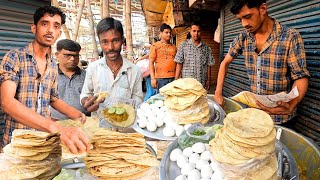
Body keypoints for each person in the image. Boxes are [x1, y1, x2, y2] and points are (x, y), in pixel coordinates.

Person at [0, 6, 91, 153]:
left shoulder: (52, 66)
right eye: (44, 24)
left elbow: (52, 98)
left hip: (43, 143)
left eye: (56, 26)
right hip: (16, 145)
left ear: (59, 32)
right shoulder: (14, 57)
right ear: (34, 28)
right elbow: (7, 102)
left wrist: (77, 114)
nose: (50, 30)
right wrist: (55, 127)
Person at [214, 0, 310, 124]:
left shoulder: (290, 37)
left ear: (263, 9)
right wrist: (218, 92)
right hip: (255, 116)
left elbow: (301, 76)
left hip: (280, 118)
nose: (244, 24)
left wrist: (293, 102)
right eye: (240, 19)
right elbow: (224, 62)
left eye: (248, 17)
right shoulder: (243, 37)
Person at [80, 17, 143, 112]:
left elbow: (138, 99)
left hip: (125, 123)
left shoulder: (135, 70)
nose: (110, 47)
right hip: (99, 123)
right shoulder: (93, 68)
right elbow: (85, 93)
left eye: (115, 41)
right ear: (100, 43)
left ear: (122, 40)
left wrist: (127, 108)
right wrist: (86, 101)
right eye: (105, 42)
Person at [50, 39, 90, 120]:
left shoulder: (87, 76)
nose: (72, 59)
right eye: (67, 55)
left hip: (84, 122)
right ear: (57, 55)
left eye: (76, 55)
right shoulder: (49, 75)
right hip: (56, 123)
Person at [174, 22, 214, 90]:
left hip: (201, 84)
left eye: (198, 31)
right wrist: (176, 80)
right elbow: (179, 63)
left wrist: (208, 80)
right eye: (194, 31)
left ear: (201, 32)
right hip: (187, 84)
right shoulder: (183, 46)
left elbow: (209, 65)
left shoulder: (206, 48)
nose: (196, 33)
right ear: (190, 31)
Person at [149, 23, 177, 93]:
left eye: (170, 33)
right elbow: (151, 63)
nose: (169, 34)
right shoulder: (155, 46)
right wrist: (153, 78)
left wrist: (177, 77)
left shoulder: (174, 47)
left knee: (173, 99)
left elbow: (178, 63)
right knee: (161, 100)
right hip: (161, 79)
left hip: (173, 78)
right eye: (166, 32)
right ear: (161, 33)